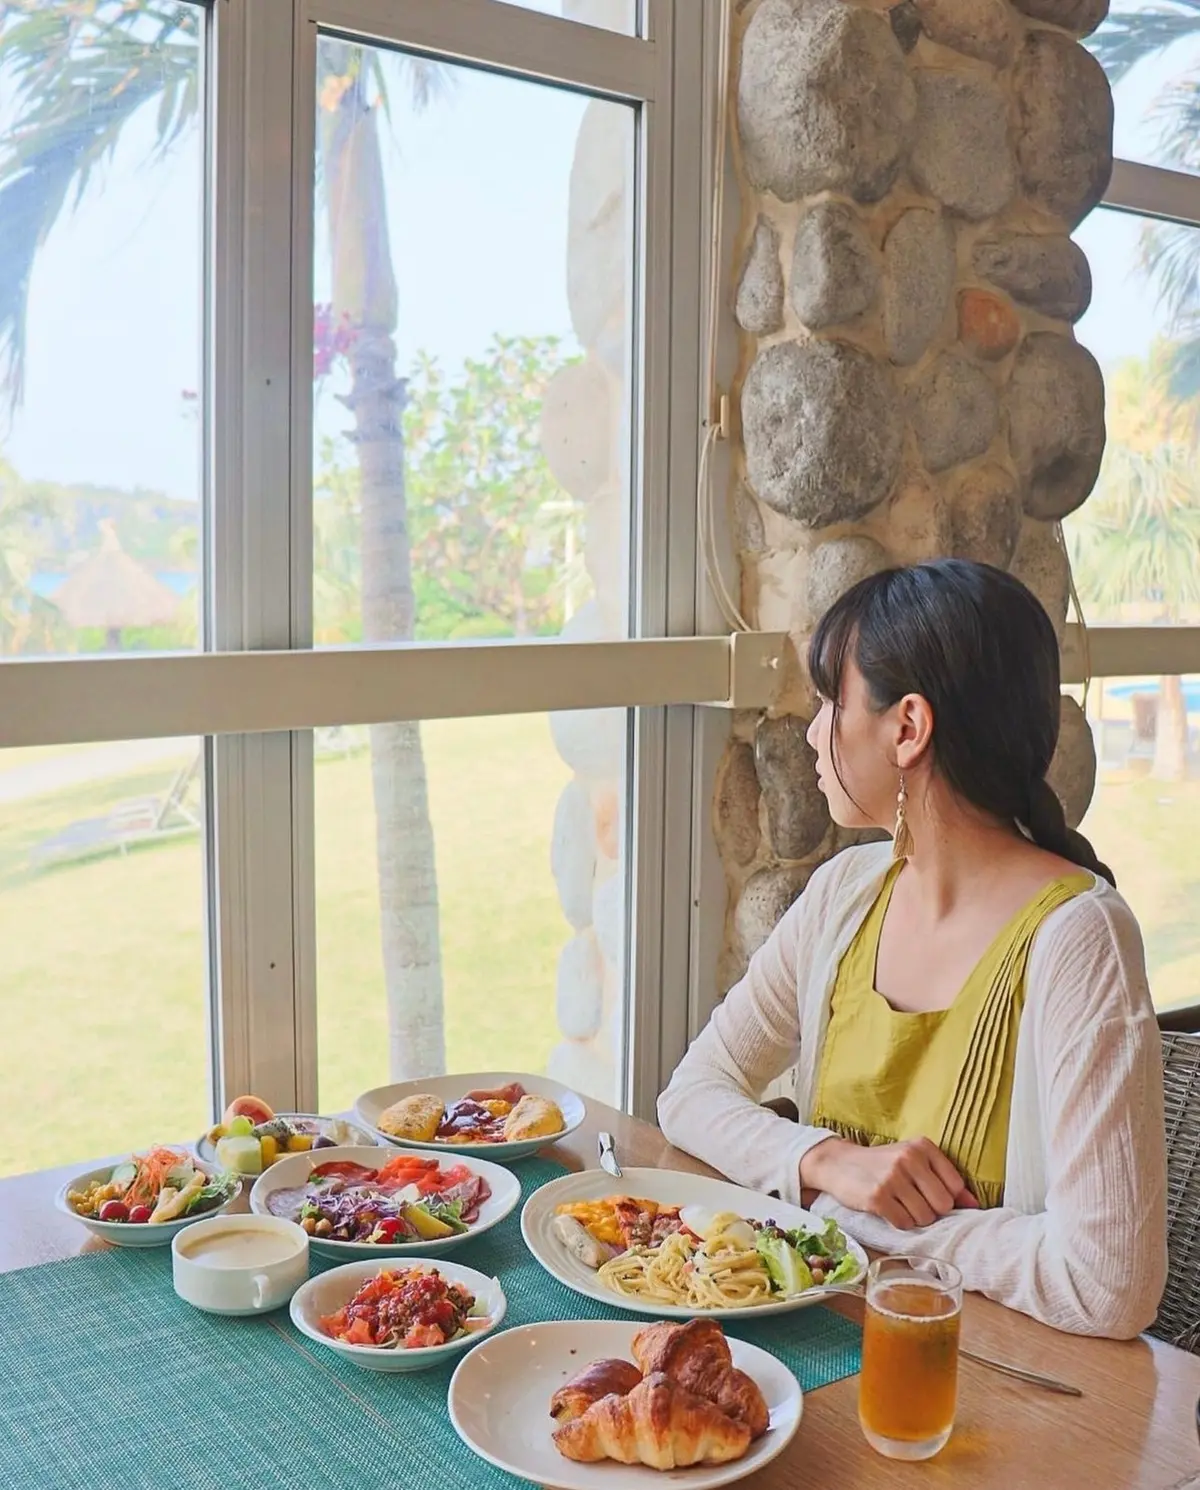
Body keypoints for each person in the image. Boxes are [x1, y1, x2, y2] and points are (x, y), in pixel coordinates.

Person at [659, 559, 1168, 1339]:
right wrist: (829, 1162)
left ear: (908, 728)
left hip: (999, 1381)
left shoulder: (1079, 940)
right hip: (822, 1335)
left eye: (832, 701)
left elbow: (1106, 1285)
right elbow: (691, 1094)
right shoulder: (845, 894)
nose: (814, 731)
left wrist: (850, 1220)